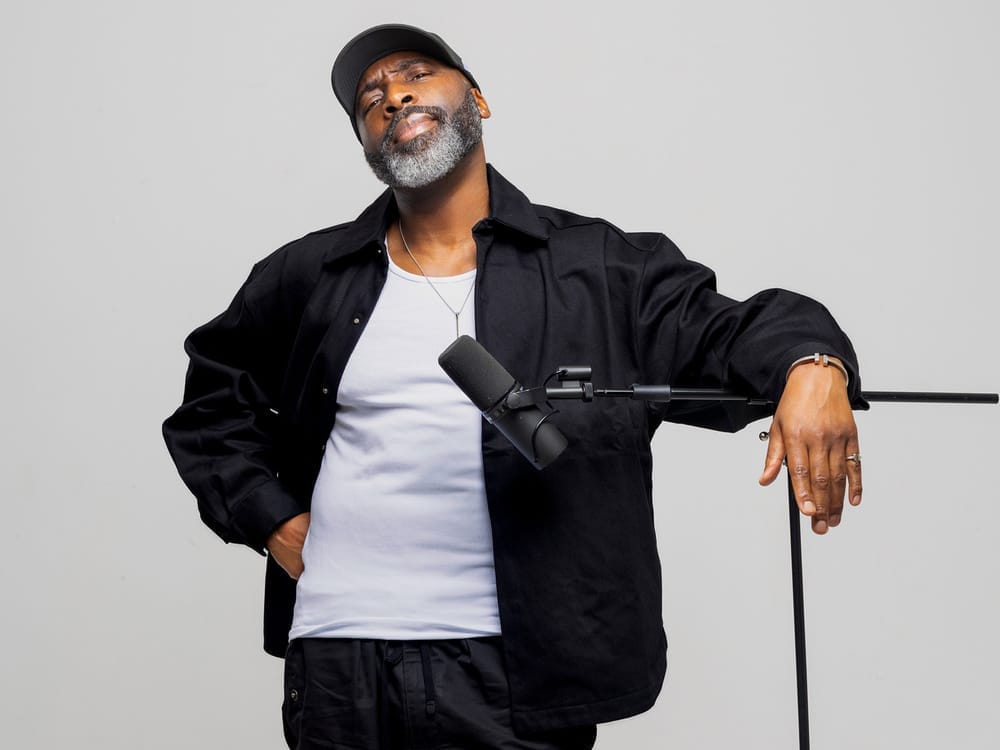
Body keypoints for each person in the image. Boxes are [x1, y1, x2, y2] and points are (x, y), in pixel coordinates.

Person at [163, 23, 866, 750]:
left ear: (478, 99)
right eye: (370, 99)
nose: (393, 95)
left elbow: (732, 330)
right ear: (368, 144)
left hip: (518, 671)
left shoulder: (597, 267)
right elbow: (210, 408)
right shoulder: (310, 273)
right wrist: (271, 518)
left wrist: (814, 364)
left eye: (416, 74)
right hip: (340, 658)